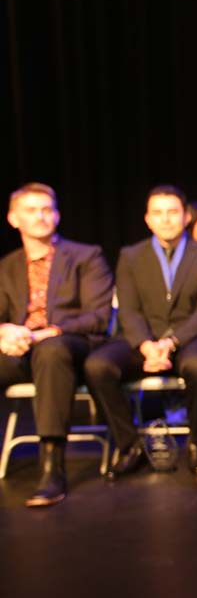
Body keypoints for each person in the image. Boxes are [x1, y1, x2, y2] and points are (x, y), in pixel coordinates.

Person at [84, 185, 197, 477]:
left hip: (190, 339)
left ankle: (196, 443)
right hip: (141, 339)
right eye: (158, 213)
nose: (166, 219)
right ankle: (129, 445)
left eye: (172, 212)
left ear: (186, 217)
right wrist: (147, 345)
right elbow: (129, 310)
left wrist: (171, 343)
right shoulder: (131, 256)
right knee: (98, 366)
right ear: (148, 219)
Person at [0, 183, 113, 507]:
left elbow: (98, 316)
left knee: (50, 352)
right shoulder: (7, 266)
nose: (40, 216)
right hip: (20, 348)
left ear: (57, 215)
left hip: (68, 345)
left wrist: (47, 332)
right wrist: (6, 331)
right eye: (31, 210)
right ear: (13, 218)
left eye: (46, 209)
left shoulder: (85, 256)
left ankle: (52, 466)